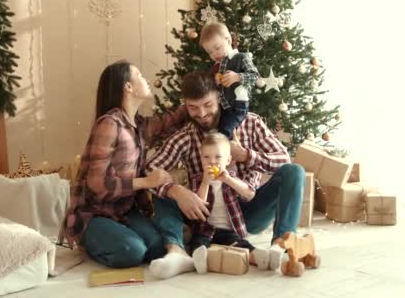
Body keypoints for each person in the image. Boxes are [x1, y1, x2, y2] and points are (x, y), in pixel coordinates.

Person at [146, 72, 305, 279]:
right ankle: (176, 252)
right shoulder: (185, 137)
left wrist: (247, 156)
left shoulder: (250, 123)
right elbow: (150, 169)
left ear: (219, 98)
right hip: (207, 217)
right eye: (193, 107)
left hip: (248, 211)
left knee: (294, 172)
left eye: (208, 105)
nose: (201, 114)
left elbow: (283, 159)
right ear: (185, 105)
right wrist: (175, 190)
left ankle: (279, 247)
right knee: (162, 188)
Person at [64, 60, 188, 268]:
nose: (145, 79)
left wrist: (203, 95)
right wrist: (146, 181)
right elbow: (97, 184)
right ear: (128, 87)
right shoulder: (109, 124)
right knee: (132, 251)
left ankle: (117, 236)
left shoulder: (139, 125)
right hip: (93, 213)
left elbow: (173, 121)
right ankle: (88, 242)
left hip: (122, 212)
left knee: (157, 249)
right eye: (139, 75)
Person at [189, 132, 277, 274]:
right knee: (197, 244)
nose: (212, 161)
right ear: (201, 159)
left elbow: (249, 194)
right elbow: (199, 204)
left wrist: (228, 180)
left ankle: (258, 257)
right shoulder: (198, 179)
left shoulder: (231, 178)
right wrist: (205, 182)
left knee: (241, 244)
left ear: (228, 160)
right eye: (206, 157)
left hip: (228, 230)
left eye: (218, 157)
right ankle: (200, 259)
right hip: (204, 229)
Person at [199, 22, 259, 140]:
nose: (214, 54)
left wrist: (237, 77)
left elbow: (254, 76)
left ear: (228, 40)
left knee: (224, 131)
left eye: (217, 48)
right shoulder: (216, 67)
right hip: (221, 106)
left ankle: (221, 152)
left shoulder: (241, 58)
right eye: (210, 52)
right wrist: (213, 82)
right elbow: (210, 89)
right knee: (210, 129)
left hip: (237, 106)